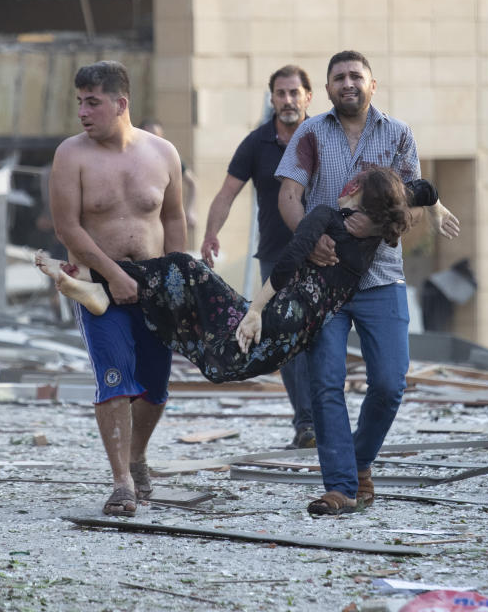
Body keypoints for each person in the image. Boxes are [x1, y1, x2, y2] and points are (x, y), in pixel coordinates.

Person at [36, 167, 454, 386]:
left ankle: (98, 284)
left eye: (354, 183)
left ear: (360, 192)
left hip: (280, 313)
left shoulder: (328, 216)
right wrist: (435, 209)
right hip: (299, 330)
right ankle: (98, 287)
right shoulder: (380, 226)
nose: (345, 185)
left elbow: (289, 260)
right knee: (188, 287)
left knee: (184, 271)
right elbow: (426, 188)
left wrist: (254, 311)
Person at [275, 50, 460, 516]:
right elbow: (289, 195)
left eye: (356, 76)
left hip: (382, 278)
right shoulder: (311, 132)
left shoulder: (398, 135)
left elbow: (414, 202)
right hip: (326, 281)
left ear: (372, 84)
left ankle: (358, 461)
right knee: (326, 384)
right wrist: (310, 239)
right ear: (329, 87)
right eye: (338, 77)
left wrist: (376, 228)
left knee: (389, 383)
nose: (348, 83)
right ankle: (339, 487)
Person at [49, 61, 187, 518]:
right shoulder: (72, 154)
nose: (83, 112)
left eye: (93, 102)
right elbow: (67, 226)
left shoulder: (163, 152)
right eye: (80, 103)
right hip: (98, 288)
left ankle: (137, 454)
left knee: (156, 386)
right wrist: (114, 274)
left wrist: (178, 280)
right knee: (114, 379)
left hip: (153, 285)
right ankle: (122, 483)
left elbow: (172, 219)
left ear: (120, 103)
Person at [200, 65, 316, 448]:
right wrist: (210, 233)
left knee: (321, 338)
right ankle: (306, 424)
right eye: (281, 93)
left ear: (308, 97)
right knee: (285, 340)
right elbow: (226, 193)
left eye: (294, 93)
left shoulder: (324, 136)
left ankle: (325, 417)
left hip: (324, 254)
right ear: (272, 99)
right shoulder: (256, 143)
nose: (287, 100)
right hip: (276, 257)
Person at [140, 118, 198, 232]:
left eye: (158, 138)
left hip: (163, 218)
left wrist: (191, 210)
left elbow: (193, 182)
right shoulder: (131, 157)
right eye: (150, 137)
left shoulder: (168, 157)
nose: (154, 142)